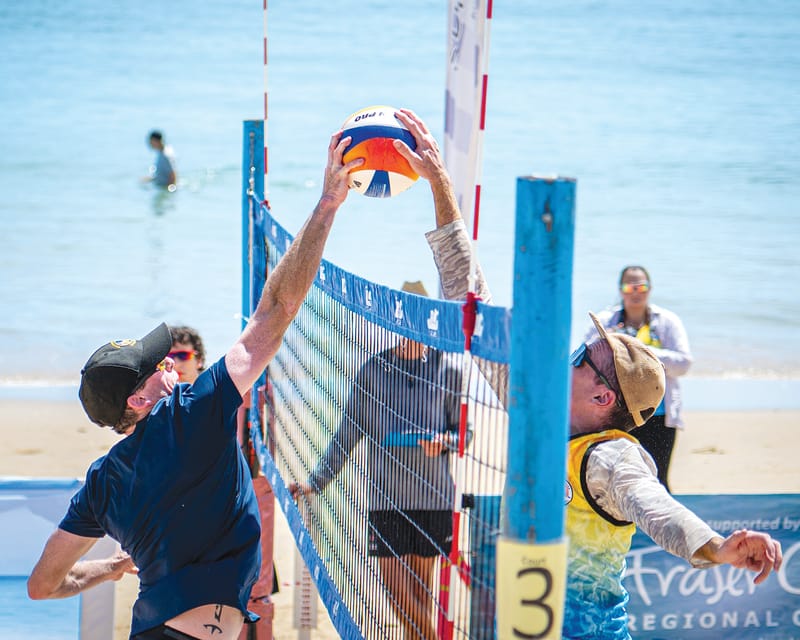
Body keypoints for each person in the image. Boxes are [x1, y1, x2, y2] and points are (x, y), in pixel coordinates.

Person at [390, 108, 783, 639]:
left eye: (581, 357)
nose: (570, 356)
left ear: (602, 395)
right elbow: (467, 296)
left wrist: (716, 546)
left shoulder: (611, 456)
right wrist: (440, 185)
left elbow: (657, 508)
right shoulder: (539, 409)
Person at [27, 132, 364, 640]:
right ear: (138, 400)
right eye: (153, 365)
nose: (166, 361)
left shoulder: (102, 481)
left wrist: (113, 570)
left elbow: (43, 585)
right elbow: (276, 312)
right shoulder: (192, 410)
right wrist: (327, 204)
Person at [288, 280, 467, 640]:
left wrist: (444, 441)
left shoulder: (448, 371)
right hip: (386, 500)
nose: (412, 328)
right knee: (397, 594)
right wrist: (316, 481)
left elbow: (465, 434)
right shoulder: (375, 370)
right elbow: (348, 432)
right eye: (406, 318)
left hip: (432, 500)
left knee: (420, 597)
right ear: (396, 321)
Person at [583, 265, 692, 491]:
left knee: (659, 481)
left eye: (641, 286)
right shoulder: (605, 321)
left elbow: (683, 363)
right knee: (619, 480)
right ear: (621, 290)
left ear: (650, 289)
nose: (635, 292)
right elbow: (586, 358)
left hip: (659, 416)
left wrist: (638, 351)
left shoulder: (667, 321)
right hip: (618, 414)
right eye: (629, 286)